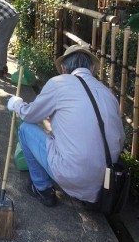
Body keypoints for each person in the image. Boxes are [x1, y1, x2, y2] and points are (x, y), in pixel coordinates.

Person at [7, 45, 125, 207]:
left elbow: (30, 115)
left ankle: (42, 188)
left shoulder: (59, 83)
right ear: (92, 69)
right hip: (106, 181)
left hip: (73, 176)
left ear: (63, 68)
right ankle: (88, 192)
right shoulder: (108, 93)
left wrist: (16, 104)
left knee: (26, 128)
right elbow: (120, 139)